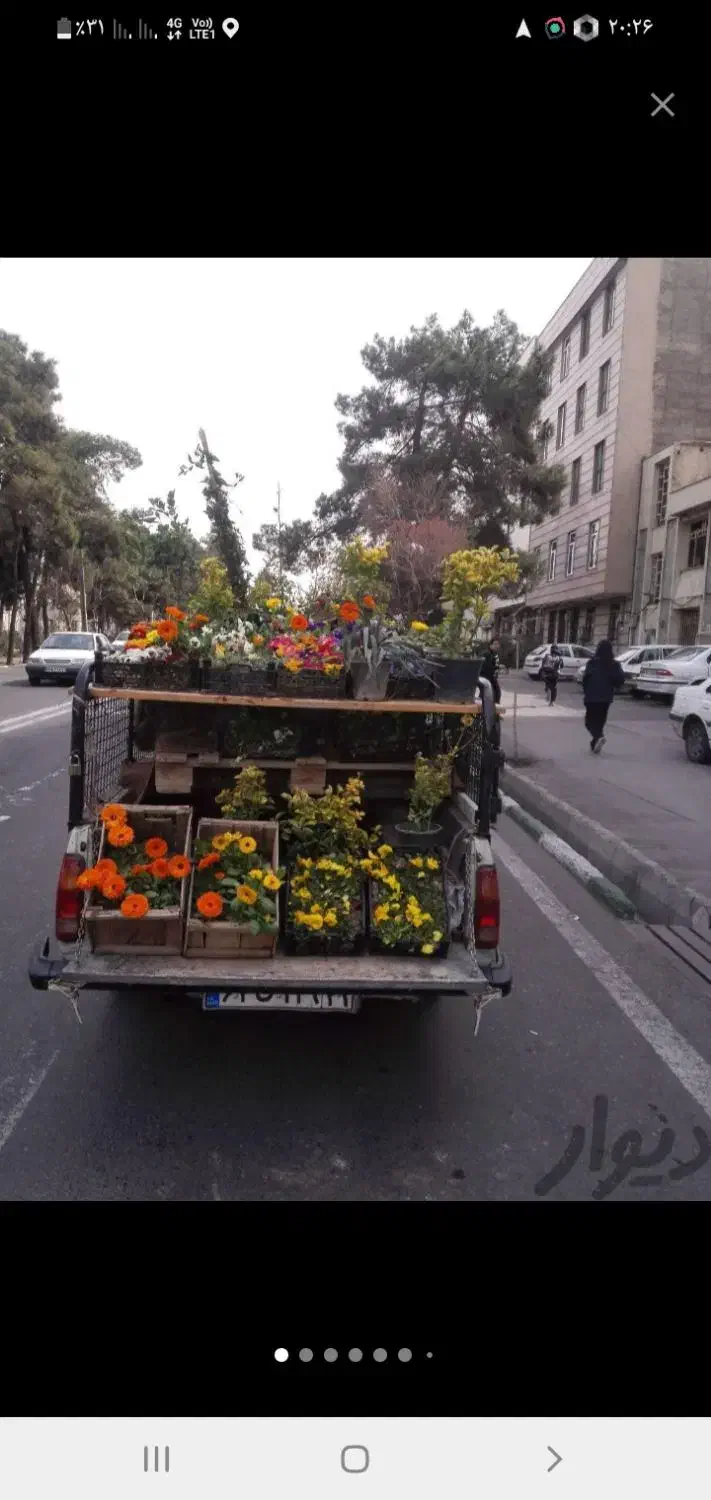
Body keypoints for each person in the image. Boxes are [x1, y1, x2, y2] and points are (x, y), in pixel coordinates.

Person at [582, 638, 625, 753]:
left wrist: (586, 692)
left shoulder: (592, 663)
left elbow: (585, 679)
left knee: (589, 722)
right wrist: (615, 685)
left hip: (592, 697)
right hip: (606, 698)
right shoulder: (614, 664)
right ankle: (595, 743)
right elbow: (620, 679)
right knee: (600, 722)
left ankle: (598, 737)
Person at [480, 637, 501, 705]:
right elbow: (487, 668)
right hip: (487, 678)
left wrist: (497, 668)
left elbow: (495, 665)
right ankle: (493, 709)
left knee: (490, 694)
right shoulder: (487, 654)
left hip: (490, 678)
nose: (497, 646)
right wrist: (492, 678)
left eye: (498, 644)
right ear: (490, 645)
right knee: (495, 693)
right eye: (495, 644)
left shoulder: (494, 654)